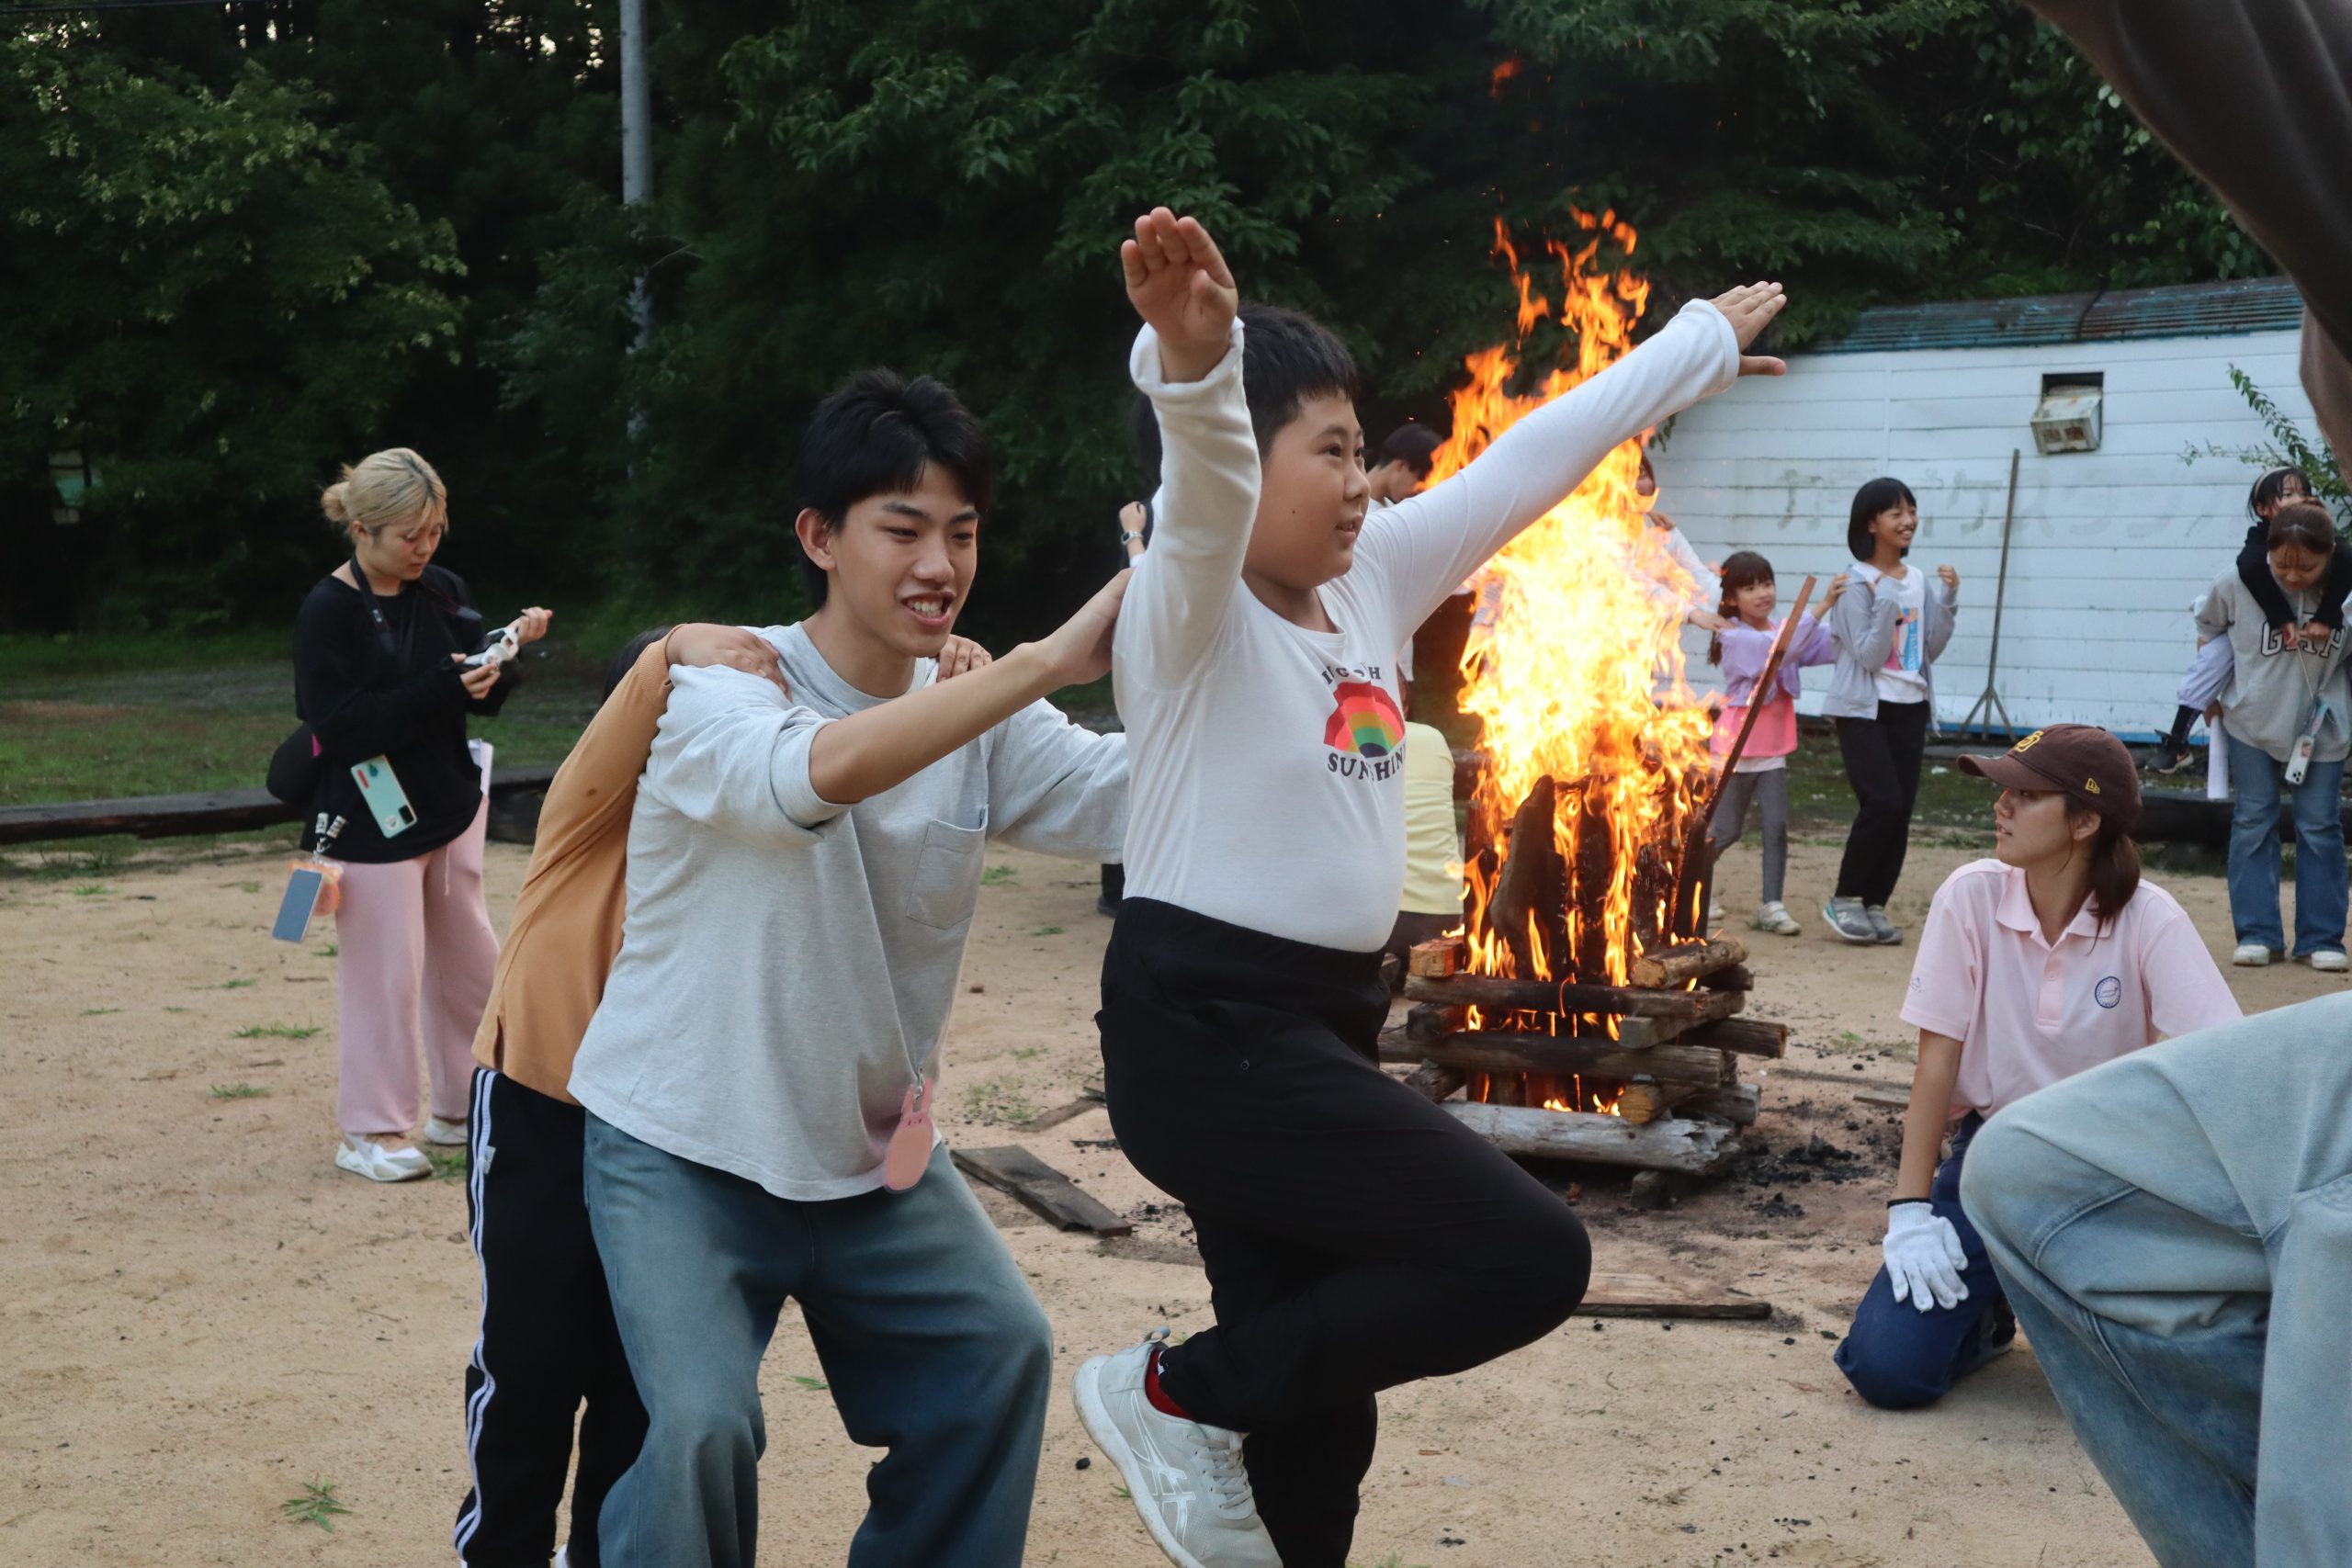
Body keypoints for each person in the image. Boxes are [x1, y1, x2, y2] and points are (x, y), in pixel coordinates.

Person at [1073, 206, 1788, 1568]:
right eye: (1330, 451)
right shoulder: (1188, 601)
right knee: (1524, 1255)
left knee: (1324, 1401)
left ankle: (1247, 1477)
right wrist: (1193, 366)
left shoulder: (1372, 583)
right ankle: (1171, 1390)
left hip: (1320, 1022)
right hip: (1205, 1029)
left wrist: (1690, 346)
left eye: (1363, 449)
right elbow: (1209, 475)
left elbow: (1533, 458)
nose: (1361, 482)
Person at [565, 368, 1129, 1568]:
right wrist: (1028, 668)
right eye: (904, 528)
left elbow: (1122, 795)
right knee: (702, 1427)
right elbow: (799, 782)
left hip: (870, 1153)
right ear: (820, 537)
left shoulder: (976, 704)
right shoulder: (722, 686)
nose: (941, 562)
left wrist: (1297, 692)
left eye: (963, 531)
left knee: (997, 1355)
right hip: (684, 1143)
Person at [1961, 7, 2352, 1563]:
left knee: (2333, 1246)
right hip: (2255, 750)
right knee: (2044, 1181)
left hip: (2294, 757)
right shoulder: (1981, 908)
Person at [451, 620, 985, 1568]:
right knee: (531, 1359)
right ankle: (498, 1550)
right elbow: (631, 722)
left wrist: (945, 687)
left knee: (646, 1386)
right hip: (544, 1106)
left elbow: (843, 763)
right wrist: (670, 652)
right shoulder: (593, 810)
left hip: (671, 1136)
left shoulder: (754, 823)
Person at [1830, 724, 2239, 1409]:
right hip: (1994, 1165)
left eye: (2025, 794)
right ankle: (1986, 1314)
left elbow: (2225, 1067)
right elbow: (1936, 1063)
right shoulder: (1971, 896)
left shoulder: (2148, 918)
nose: (2002, 806)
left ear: (2084, 821)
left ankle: (2059, 1302)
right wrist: (1908, 1209)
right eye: (2003, 791)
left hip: (2111, 1177)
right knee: (1887, 1369)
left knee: (2149, 1388)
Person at [289, 447, 549, 1182]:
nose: (425, 548)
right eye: (411, 535)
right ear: (364, 528)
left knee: (472, 964)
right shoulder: (327, 610)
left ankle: (466, 1107)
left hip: (450, 800)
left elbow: (470, 685)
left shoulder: (440, 588)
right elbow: (340, 728)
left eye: (435, 530)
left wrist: (499, 665)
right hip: (370, 817)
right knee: (387, 974)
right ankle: (370, 1129)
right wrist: (446, 685)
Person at [2195, 501, 2351, 971]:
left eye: (2308, 566)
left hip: (2324, 727)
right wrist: (2206, 693)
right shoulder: (2235, 582)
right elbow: (2207, 629)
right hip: (2250, 720)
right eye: (2282, 563)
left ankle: (2322, 939)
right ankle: (2258, 933)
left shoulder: (2345, 593)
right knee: (2252, 820)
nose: (2293, 575)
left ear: (2331, 558)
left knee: (2320, 826)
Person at [1820, 477, 1959, 947]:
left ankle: (1874, 903)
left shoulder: (1917, 579)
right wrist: (1883, 602)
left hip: (1910, 706)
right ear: (1871, 523)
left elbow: (1928, 651)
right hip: (1863, 708)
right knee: (1882, 802)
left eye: (1912, 511)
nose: (1909, 521)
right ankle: (1845, 899)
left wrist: (1948, 601)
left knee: (1900, 811)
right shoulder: (1853, 583)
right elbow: (1868, 656)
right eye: (1897, 513)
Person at [2152, 466, 2346, 772]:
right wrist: (2283, 620)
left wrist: (2326, 615)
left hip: (2312, 705)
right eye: (2287, 494)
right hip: (2246, 669)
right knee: (2210, 660)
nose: (2298, 499)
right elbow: (2248, 570)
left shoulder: (2332, 551)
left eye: (2303, 493)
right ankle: (2177, 739)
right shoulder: (2251, 558)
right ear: (2263, 509)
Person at [1704, 550, 1843, 935]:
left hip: (1772, 747)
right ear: (1731, 600)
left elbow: (1819, 646)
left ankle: (1772, 904)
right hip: (1736, 745)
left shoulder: (1782, 628)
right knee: (1727, 828)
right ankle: (1692, 883)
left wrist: (1861, 623)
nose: (1762, 593)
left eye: (1766, 583)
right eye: (1749, 588)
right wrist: (1821, 605)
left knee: (1775, 825)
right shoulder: (1734, 636)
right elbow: (1781, 651)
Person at [1365, 422, 1443, 506]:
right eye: (1421, 479)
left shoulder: (1391, 509)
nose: (1419, 489)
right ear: (1402, 466)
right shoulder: (1354, 506)